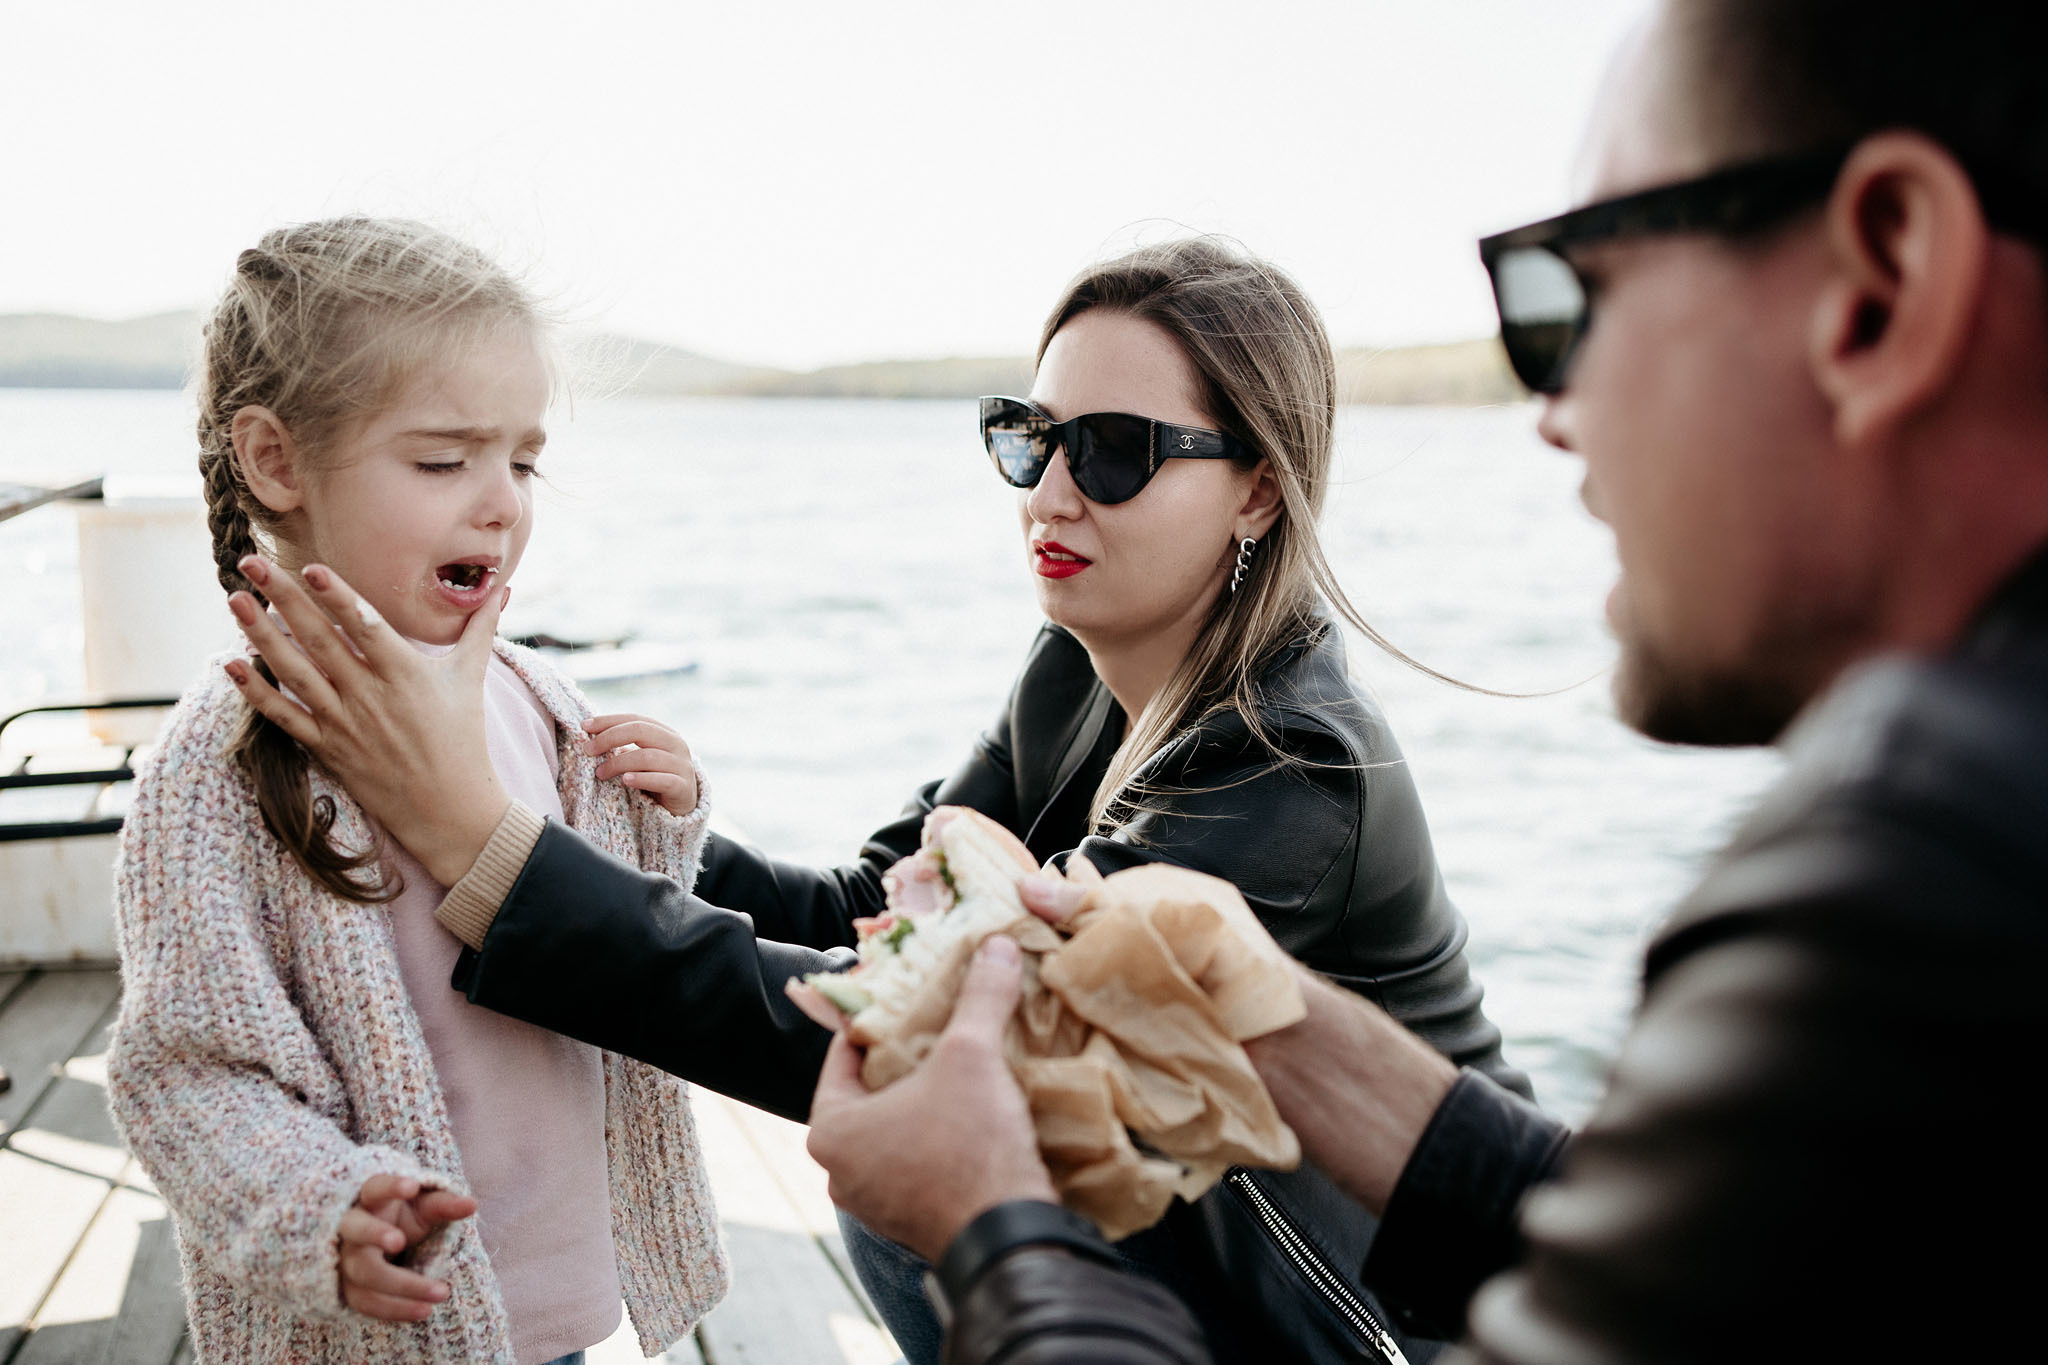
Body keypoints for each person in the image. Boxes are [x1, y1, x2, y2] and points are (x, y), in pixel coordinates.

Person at [804, 0, 2048, 1360]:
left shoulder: (1935, 884)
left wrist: (988, 1229)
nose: (1554, 409)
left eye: (1577, 288)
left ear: (1882, 285)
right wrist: (1290, 1033)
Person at [226, 237, 1526, 1363]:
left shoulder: (1288, 767)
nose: (1055, 492)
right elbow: (864, 916)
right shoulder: (1081, 662)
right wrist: (595, 818)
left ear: (1256, 484)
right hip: (1193, 1269)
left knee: (916, 1138)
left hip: (1369, 1328)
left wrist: (479, 841)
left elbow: (907, 1036)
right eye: (1031, 438)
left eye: (1118, 453)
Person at [105, 218, 732, 1365]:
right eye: (444, 460)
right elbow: (186, 1072)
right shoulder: (221, 765)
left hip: (554, 1282)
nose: (501, 503)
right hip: (377, 1316)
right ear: (278, 462)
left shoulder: (536, 695)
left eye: (522, 460)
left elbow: (604, 940)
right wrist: (320, 1213)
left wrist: (664, 815)